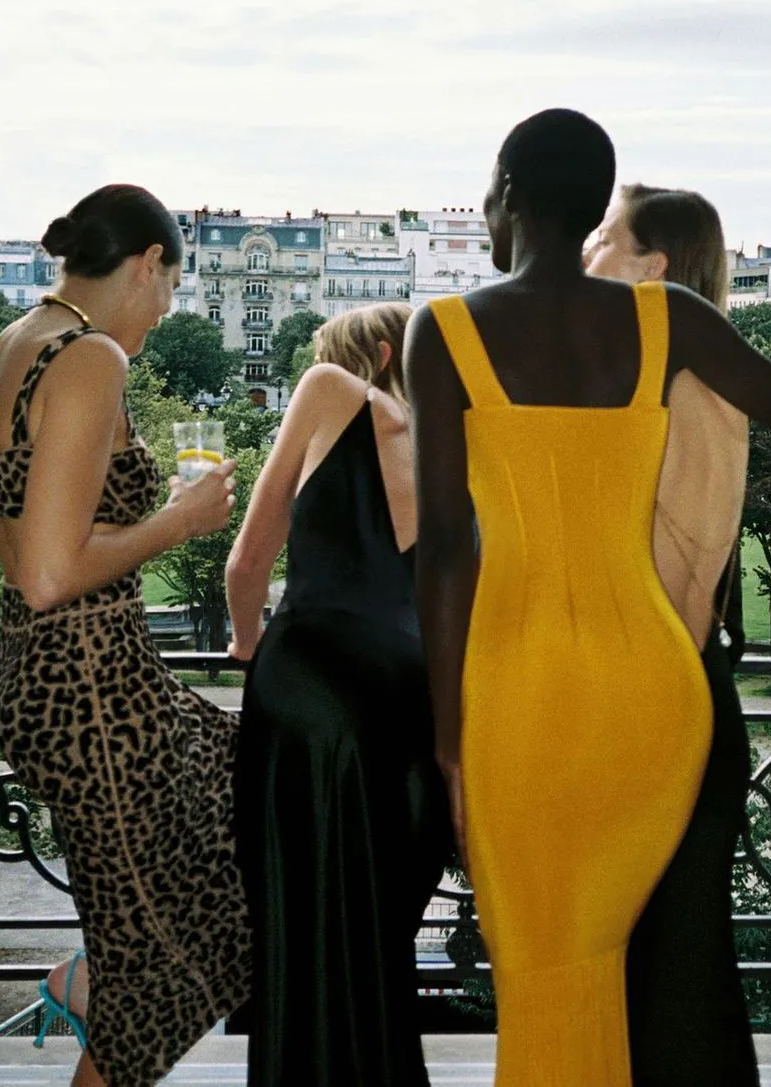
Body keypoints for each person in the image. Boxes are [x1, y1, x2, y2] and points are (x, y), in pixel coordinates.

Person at [405, 110, 771, 1087]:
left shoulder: (442, 331)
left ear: (508, 193)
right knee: (617, 975)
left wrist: (448, 741)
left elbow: (444, 549)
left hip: (519, 692)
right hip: (653, 692)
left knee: (543, 978)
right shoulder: (672, 320)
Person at [0, 185, 251, 1087]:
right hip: (94, 696)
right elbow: (51, 572)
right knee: (153, 985)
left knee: (250, 781)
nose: (166, 312)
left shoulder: (18, 342)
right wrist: (180, 519)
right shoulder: (90, 357)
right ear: (146, 263)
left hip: (58, 679)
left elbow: (38, 545)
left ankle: (97, 976)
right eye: (170, 288)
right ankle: (106, 985)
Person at [227, 303, 452, 1087]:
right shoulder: (449, 444)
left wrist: (248, 645)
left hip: (311, 688)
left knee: (299, 929)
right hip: (410, 706)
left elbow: (248, 561)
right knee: (378, 944)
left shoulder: (329, 387)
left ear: (378, 354)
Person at [586, 182, 758, 1084]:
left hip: (669, 710)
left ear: (651, 268)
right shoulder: (654, 376)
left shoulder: (692, 385)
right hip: (656, 701)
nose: (585, 252)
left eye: (603, 238)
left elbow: (682, 584)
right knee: (656, 972)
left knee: (677, 977)